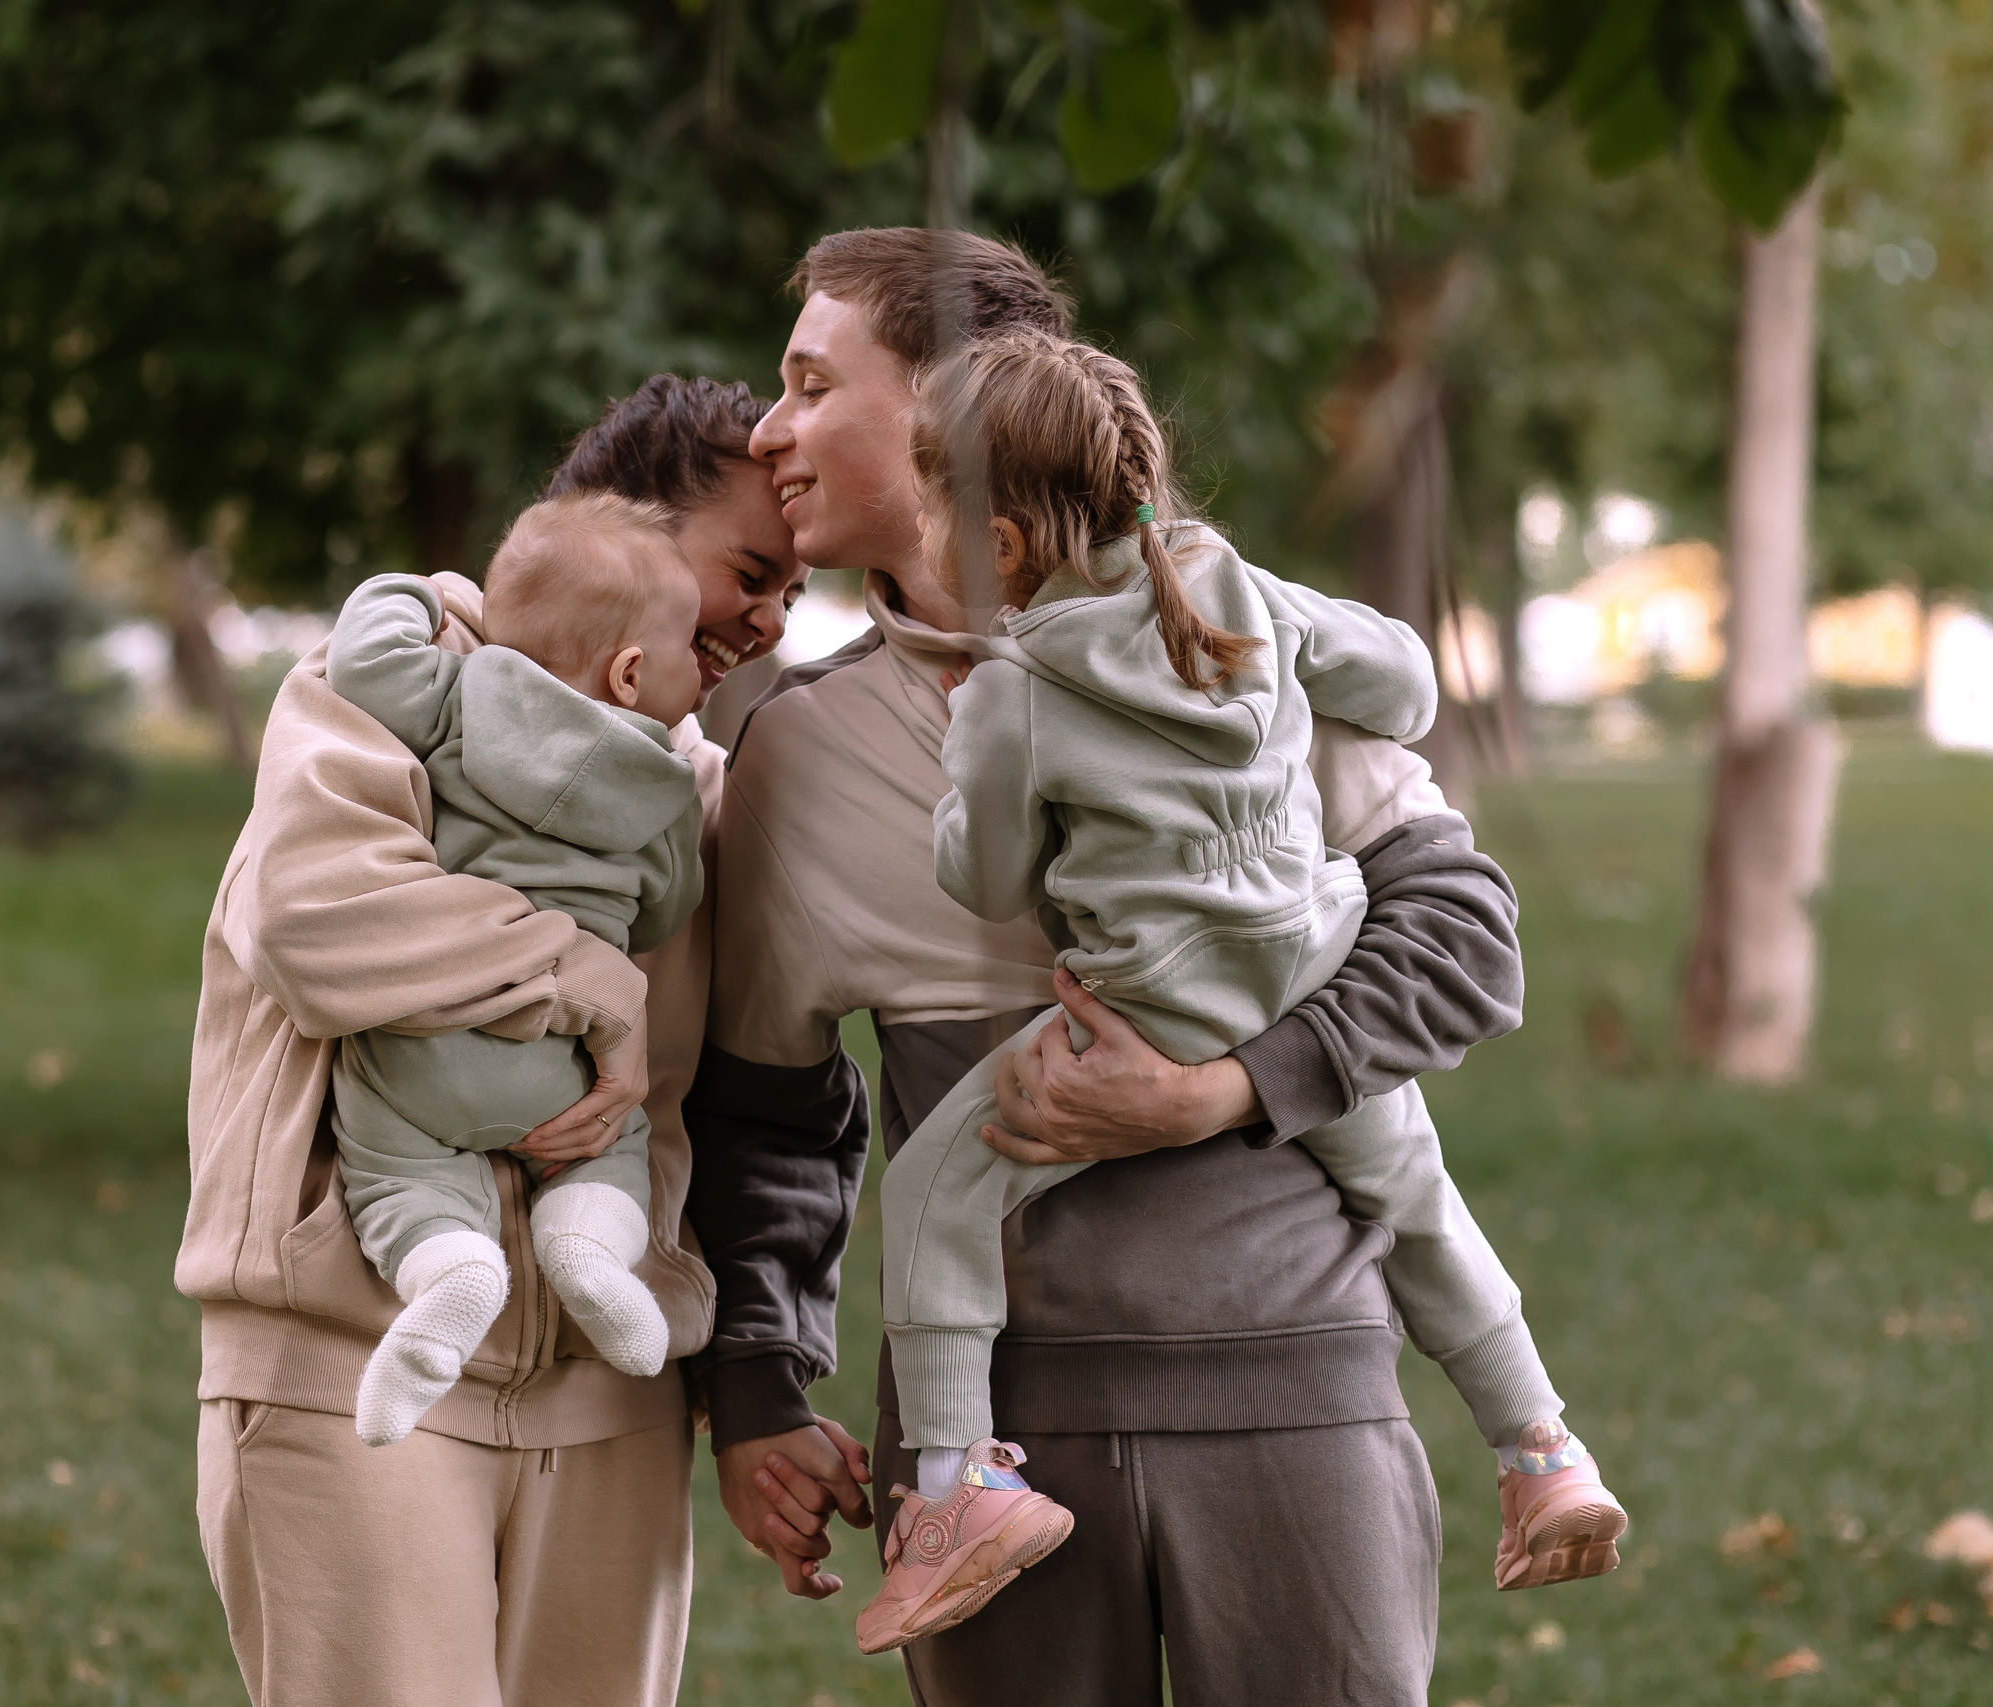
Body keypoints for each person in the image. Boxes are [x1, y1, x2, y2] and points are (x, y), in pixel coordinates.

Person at [689, 228, 1531, 1702]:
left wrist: (1226, 1088)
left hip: (1296, 1394)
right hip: (992, 1453)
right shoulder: (798, 753)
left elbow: (1463, 940)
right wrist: (757, 1382)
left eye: (812, 385)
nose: (771, 431)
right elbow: (768, 1110)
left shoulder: (1225, 636)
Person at [855, 329, 1625, 1653]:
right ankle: (1541, 1443)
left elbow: (984, 878)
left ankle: (956, 1485)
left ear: (1003, 538)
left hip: (1153, 1000)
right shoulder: (1235, 591)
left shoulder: (1016, 687)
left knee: (936, 1188)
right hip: (1310, 962)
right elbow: (1403, 679)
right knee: (1415, 1196)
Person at [181, 375, 808, 1707]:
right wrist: (589, 974)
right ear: (626, 531)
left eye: (791, 594)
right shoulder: (385, 689)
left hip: (611, 1396)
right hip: (355, 1362)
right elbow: (319, 922)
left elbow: (773, 1085)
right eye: (749, 569)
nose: (766, 618)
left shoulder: (699, 790)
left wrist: (752, 1371)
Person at [323, 494, 713, 1447]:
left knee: (394, 1164)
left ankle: (447, 1267)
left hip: (427, 1047)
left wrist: (416, 593)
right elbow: (668, 907)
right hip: (566, 1065)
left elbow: (361, 661)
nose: (704, 664)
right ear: (630, 673)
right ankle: (588, 1252)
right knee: (611, 1145)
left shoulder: (460, 696)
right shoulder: (661, 787)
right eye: (691, 644)